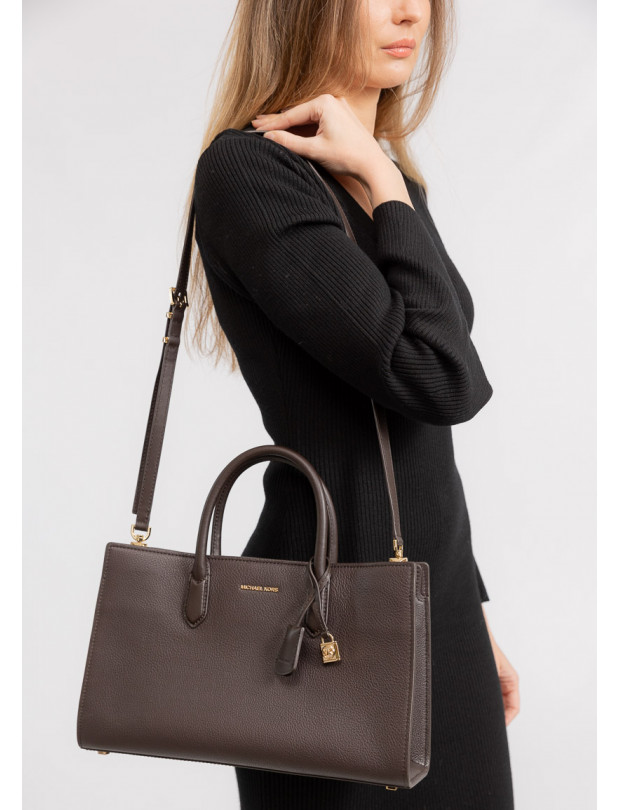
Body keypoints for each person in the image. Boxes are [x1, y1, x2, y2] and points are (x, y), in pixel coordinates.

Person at [188, 1, 519, 807]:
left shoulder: (390, 182)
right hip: (322, 630)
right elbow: (441, 379)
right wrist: (381, 178)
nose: (412, 13)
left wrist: (469, 615)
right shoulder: (250, 173)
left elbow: (419, 438)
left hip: (434, 616)